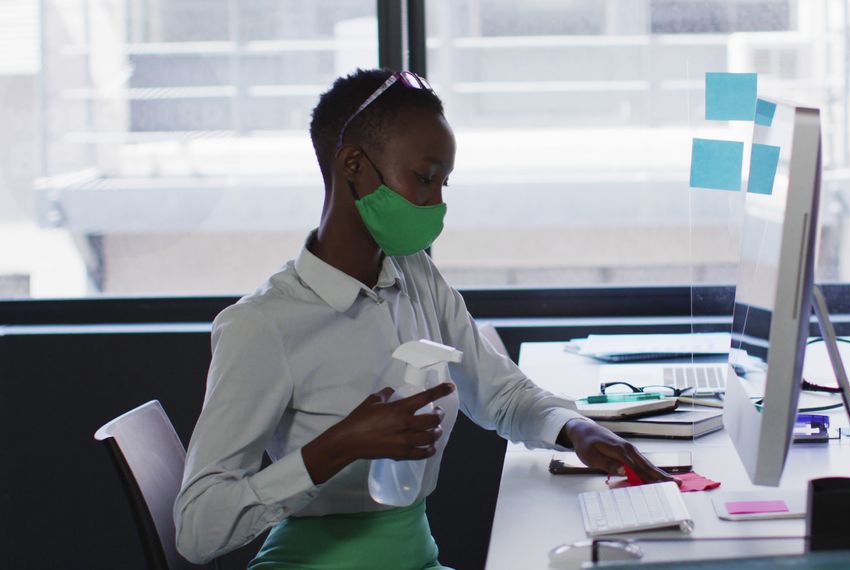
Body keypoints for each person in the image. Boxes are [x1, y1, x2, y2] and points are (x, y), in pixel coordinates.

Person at [173, 68, 672, 570]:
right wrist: (338, 446)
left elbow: (503, 395)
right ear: (354, 165)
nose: (437, 204)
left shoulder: (415, 277)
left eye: (444, 183)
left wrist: (577, 430)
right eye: (424, 178)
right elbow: (197, 528)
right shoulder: (263, 324)